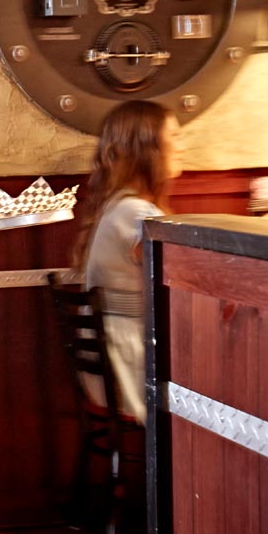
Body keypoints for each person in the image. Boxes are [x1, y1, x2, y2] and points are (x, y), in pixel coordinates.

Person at [70, 100, 184, 422]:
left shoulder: (119, 206)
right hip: (129, 370)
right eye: (174, 136)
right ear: (148, 149)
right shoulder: (136, 214)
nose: (182, 147)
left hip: (115, 364)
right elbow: (178, 276)